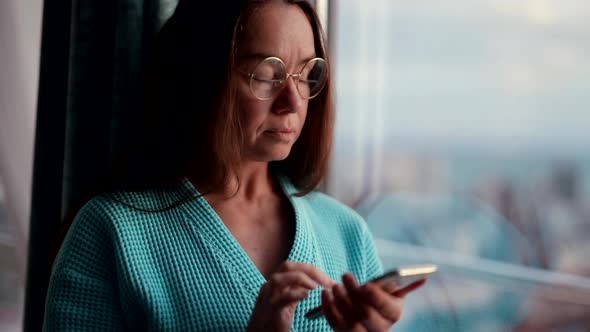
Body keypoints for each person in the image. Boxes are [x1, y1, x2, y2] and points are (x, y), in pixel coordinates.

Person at [43, 0, 426, 330]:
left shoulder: (346, 233)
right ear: (200, 76)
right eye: (266, 75)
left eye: (307, 74)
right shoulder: (109, 232)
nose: (292, 102)